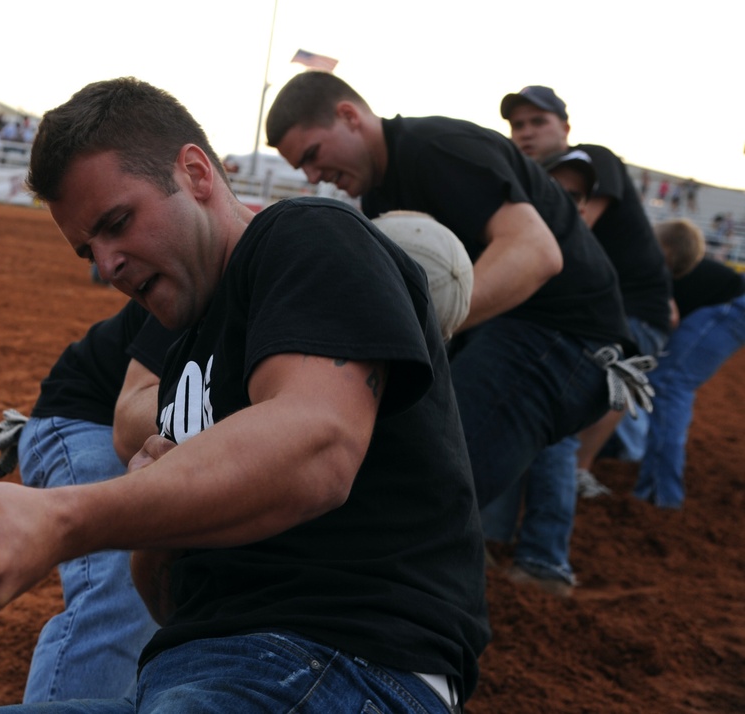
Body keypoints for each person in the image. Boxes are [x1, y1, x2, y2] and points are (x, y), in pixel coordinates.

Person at [0, 77, 490, 713]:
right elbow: (168, 598)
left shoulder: (310, 234)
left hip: (346, 665)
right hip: (202, 675)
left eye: (117, 223)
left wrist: (61, 517)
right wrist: (158, 521)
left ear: (195, 173)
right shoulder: (184, 349)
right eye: (88, 251)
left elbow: (317, 449)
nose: (106, 266)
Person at [266, 72, 644, 515]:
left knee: (428, 491)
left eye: (312, 155)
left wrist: (419, 331)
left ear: (349, 117)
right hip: (513, 331)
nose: (314, 176)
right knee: (405, 447)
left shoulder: (436, 148)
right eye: (302, 168)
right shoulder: (381, 196)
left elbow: (536, 252)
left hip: (569, 337)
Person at [478, 86, 672, 592]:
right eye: (517, 125)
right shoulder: (530, 181)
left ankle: (545, 563)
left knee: (551, 422)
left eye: (537, 121)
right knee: (519, 406)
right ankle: (493, 544)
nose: (525, 132)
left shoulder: (593, 161)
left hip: (626, 320)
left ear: (565, 126)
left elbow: (569, 233)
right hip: (588, 320)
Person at [0, 300, 178, 702]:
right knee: (122, 582)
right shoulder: (239, 266)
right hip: (88, 420)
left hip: (168, 442)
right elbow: (131, 421)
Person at [634, 219, 745, 508]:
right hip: (730, 304)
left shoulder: (647, 263)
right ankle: (652, 479)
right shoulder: (653, 261)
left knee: (669, 385)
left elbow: (668, 318)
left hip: (732, 305)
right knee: (664, 381)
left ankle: (661, 493)